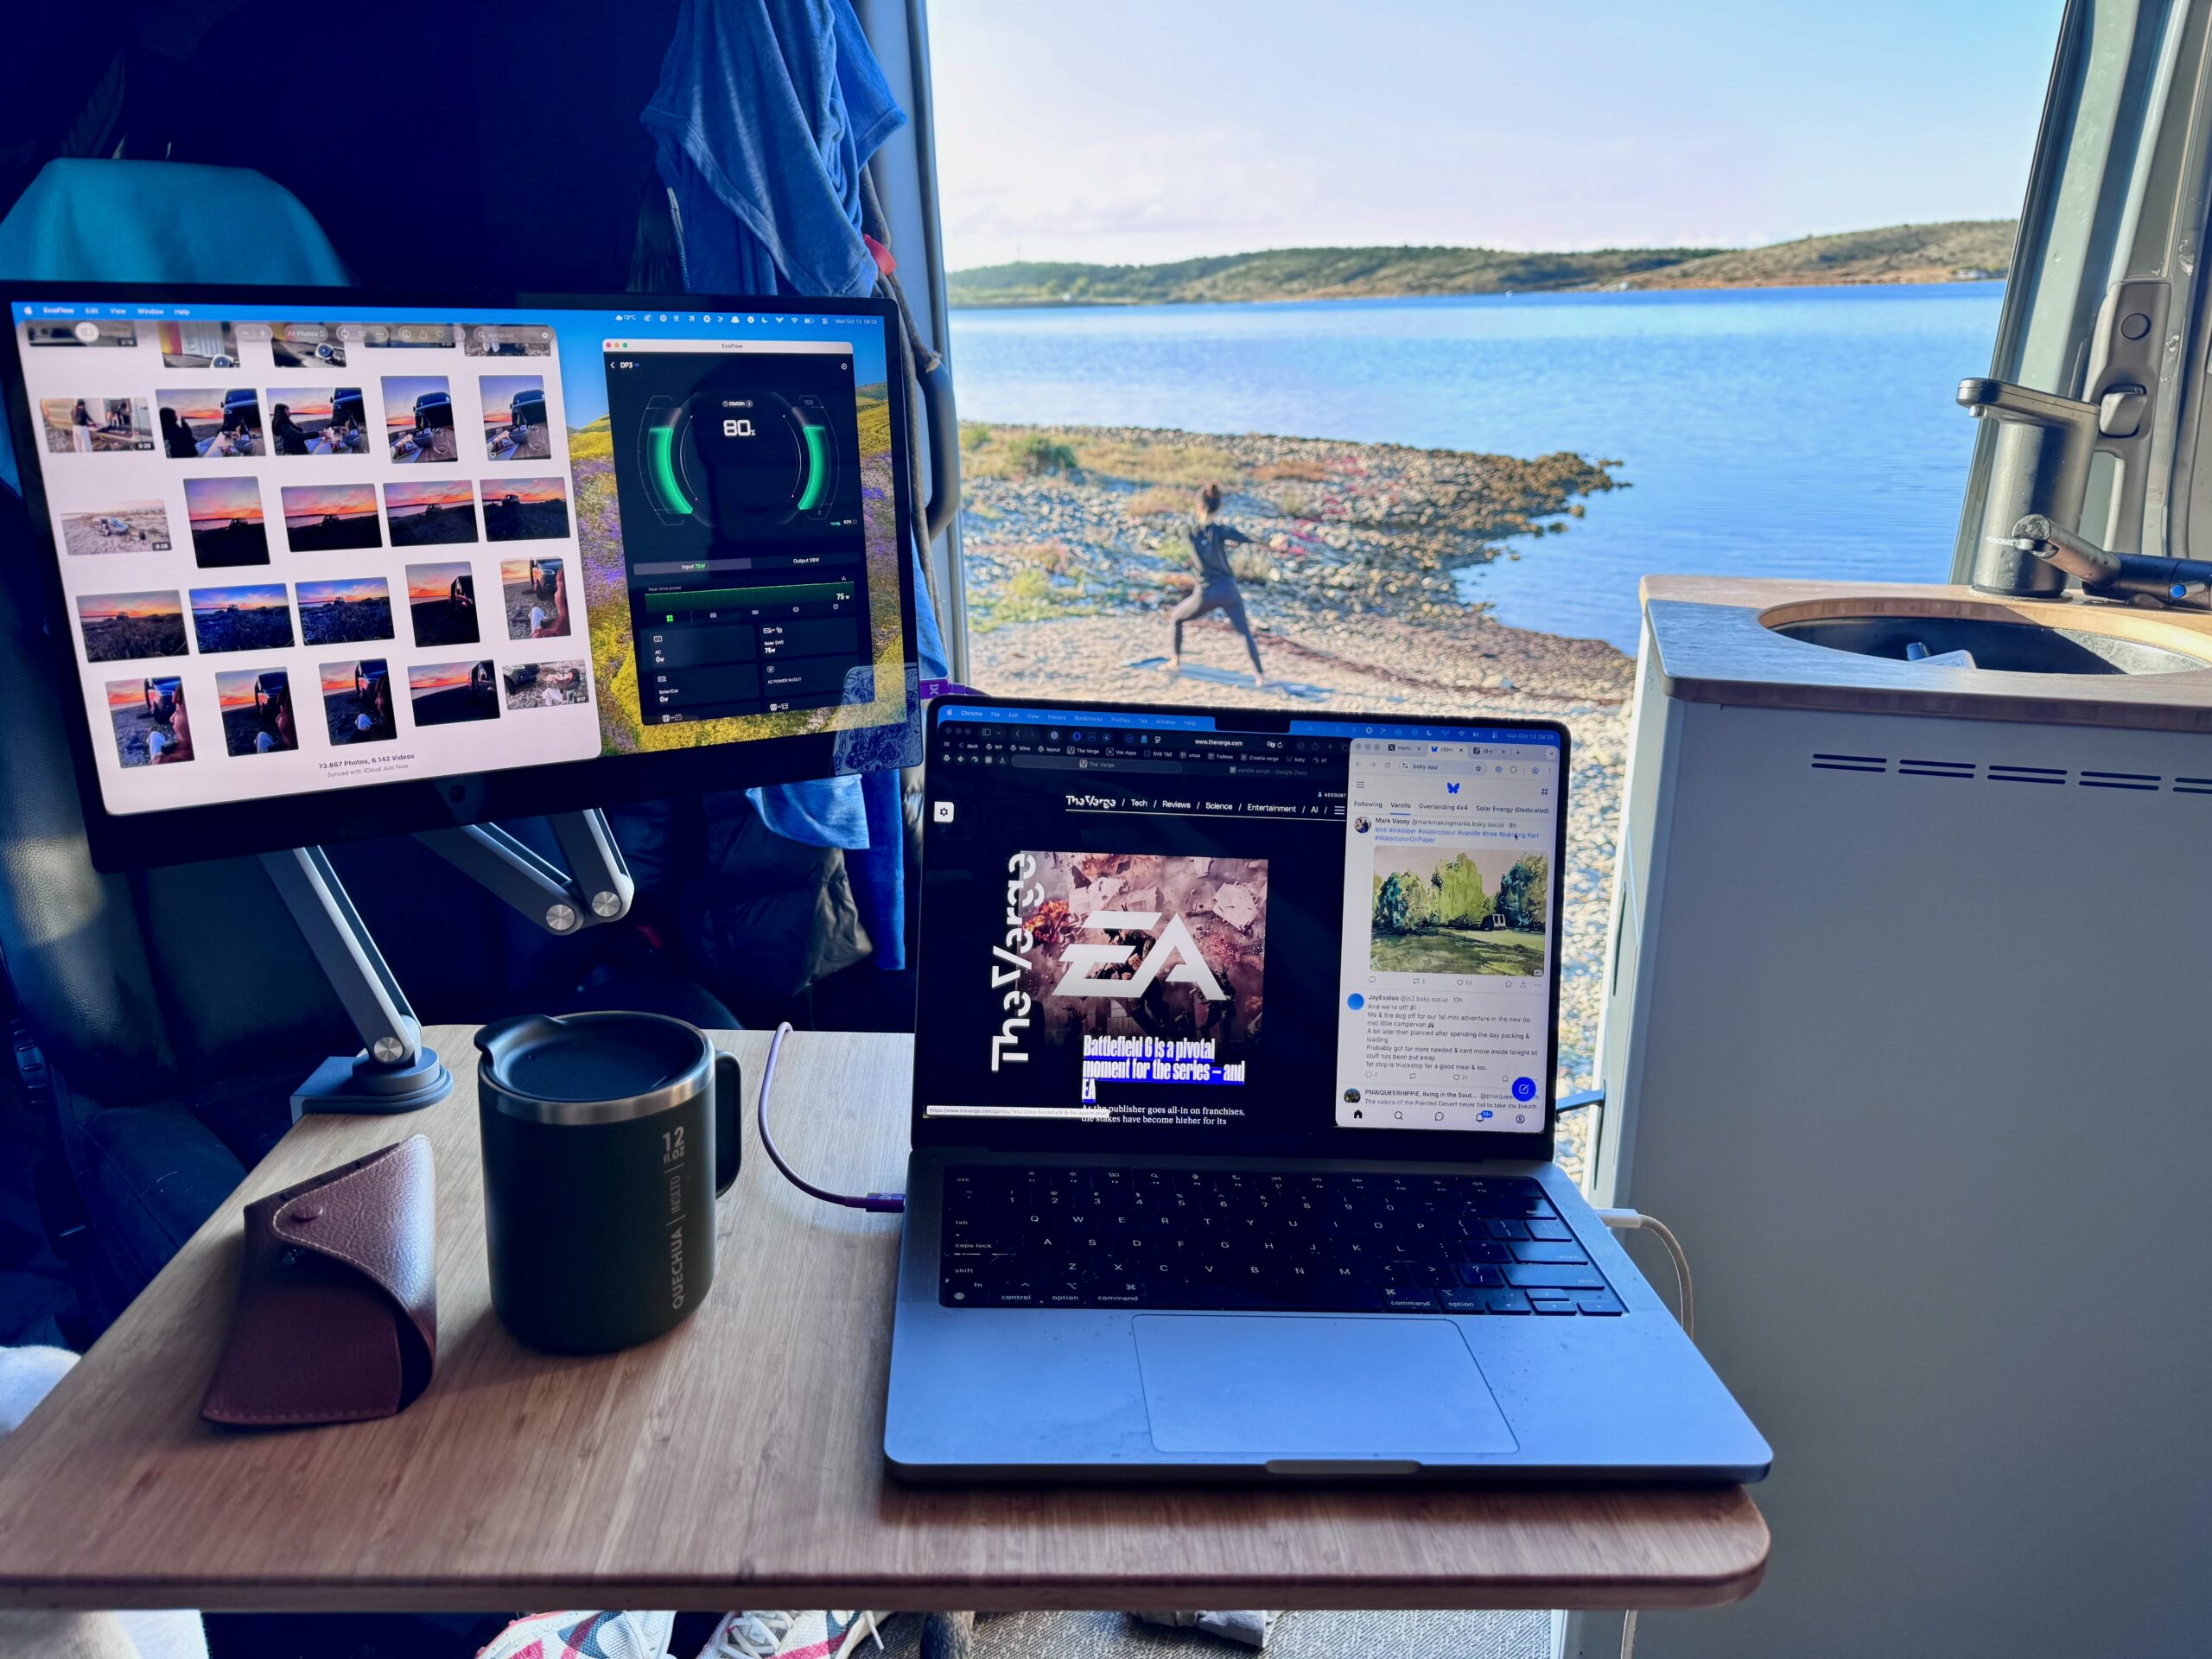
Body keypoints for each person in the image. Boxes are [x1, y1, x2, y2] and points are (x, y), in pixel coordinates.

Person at [1168, 482, 1265, 685]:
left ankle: (1175, 662)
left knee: (1176, 618)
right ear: (1218, 508)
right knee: (1244, 633)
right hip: (1229, 590)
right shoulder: (1221, 531)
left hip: (1206, 593)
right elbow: (1244, 537)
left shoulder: (1189, 531)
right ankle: (1260, 676)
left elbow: (1166, 526)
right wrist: (1269, 543)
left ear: (1199, 507)